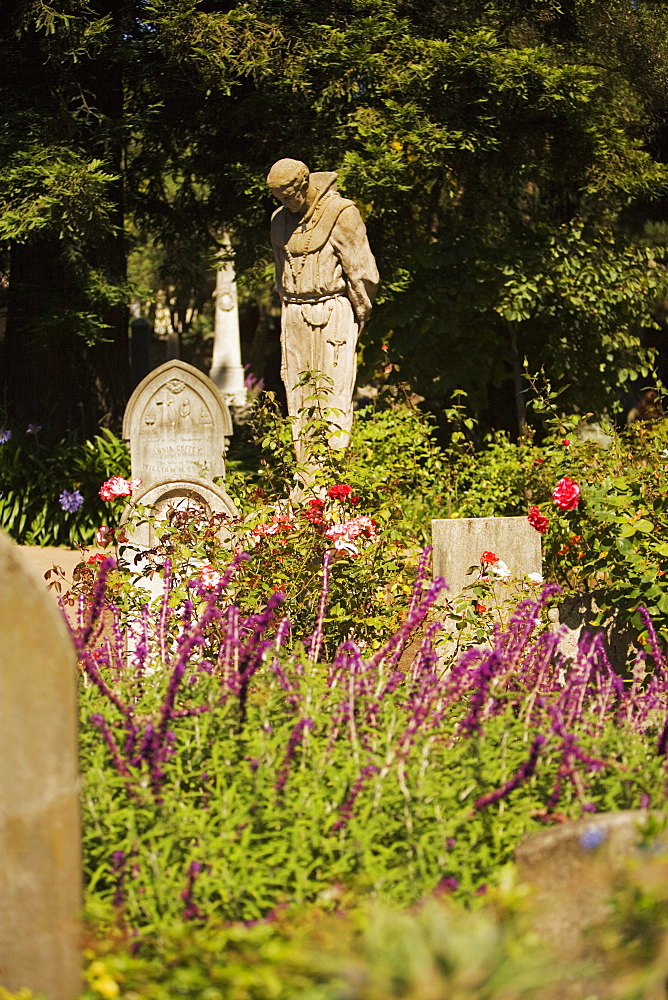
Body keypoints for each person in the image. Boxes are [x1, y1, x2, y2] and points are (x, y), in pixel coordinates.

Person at [267, 158, 379, 461]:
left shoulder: (341, 213)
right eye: (280, 198)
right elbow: (281, 273)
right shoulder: (280, 220)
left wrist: (358, 313)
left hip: (332, 311)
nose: (287, 203)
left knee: (333, 394)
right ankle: (306, 475)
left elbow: (362, 272)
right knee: (298, 393)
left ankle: (333, 474)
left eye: (291, 194)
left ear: (304, 183)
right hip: (294, 313)